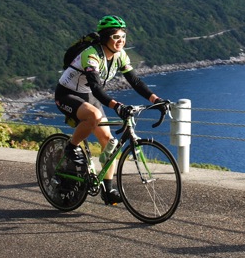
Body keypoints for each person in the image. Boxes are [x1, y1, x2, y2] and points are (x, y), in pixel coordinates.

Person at [54, 15, 169, 205]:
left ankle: (108, 189)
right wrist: (117, 106)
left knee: (109, 142)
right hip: (67, 94)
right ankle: (71, 146)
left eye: (123, 37)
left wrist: (156, 99)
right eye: (116, 37)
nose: (121, 41)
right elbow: (96, 88)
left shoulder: (120, 55)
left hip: (89, 96)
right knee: (93, 116)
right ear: (105, 37)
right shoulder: (90, 54)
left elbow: (135, 81)